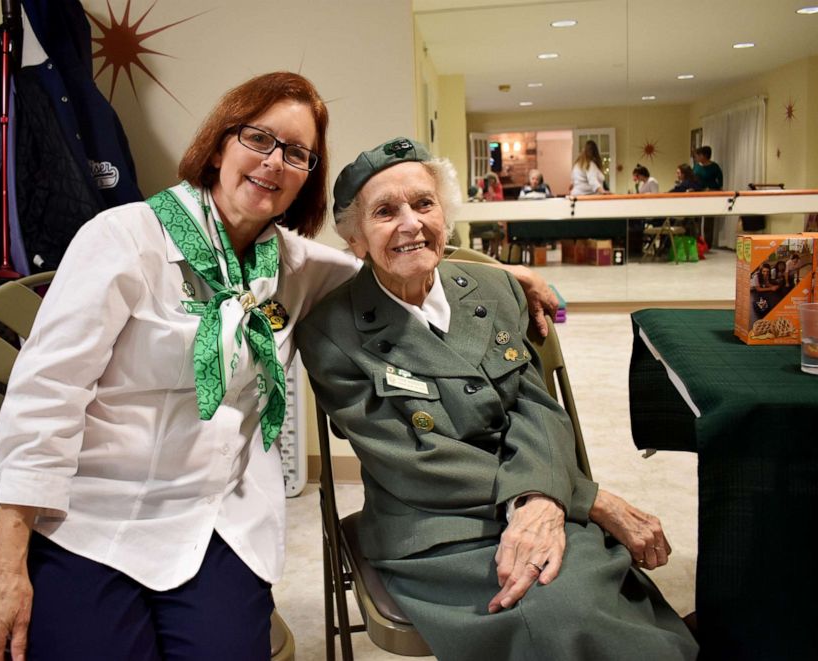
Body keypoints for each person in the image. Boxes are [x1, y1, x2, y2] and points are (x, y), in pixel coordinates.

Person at [0, 75, 558, 661]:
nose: (274, 162)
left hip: (216, 518)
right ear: (220, 142)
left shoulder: (297, 265)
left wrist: (500, 275)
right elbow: (45, 393)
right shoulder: (123, 239)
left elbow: (392, 256)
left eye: (298, 153)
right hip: (90, 515)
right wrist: (7, 557)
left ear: (308, 175)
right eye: (259, 139)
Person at [296, 137, 698, 661]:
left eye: (424, 203)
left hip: (539, 493)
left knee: (596, 585)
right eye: (385, 212)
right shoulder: (331, 331)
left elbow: (536, 407)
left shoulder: (494, 290)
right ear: (356, 239)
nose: (411, 223)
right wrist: (577, 497)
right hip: (435, 527)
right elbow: (410, 462)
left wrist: (547, 501)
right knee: (562, 607)